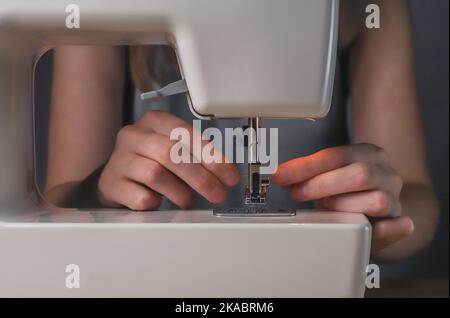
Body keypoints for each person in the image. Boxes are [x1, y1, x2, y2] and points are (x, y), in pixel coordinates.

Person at [44, 0, 438, 261]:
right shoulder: (96, 11)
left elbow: (419, 201)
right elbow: (59, 203)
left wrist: (384, 219)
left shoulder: (370, 9)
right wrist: (100, 191)